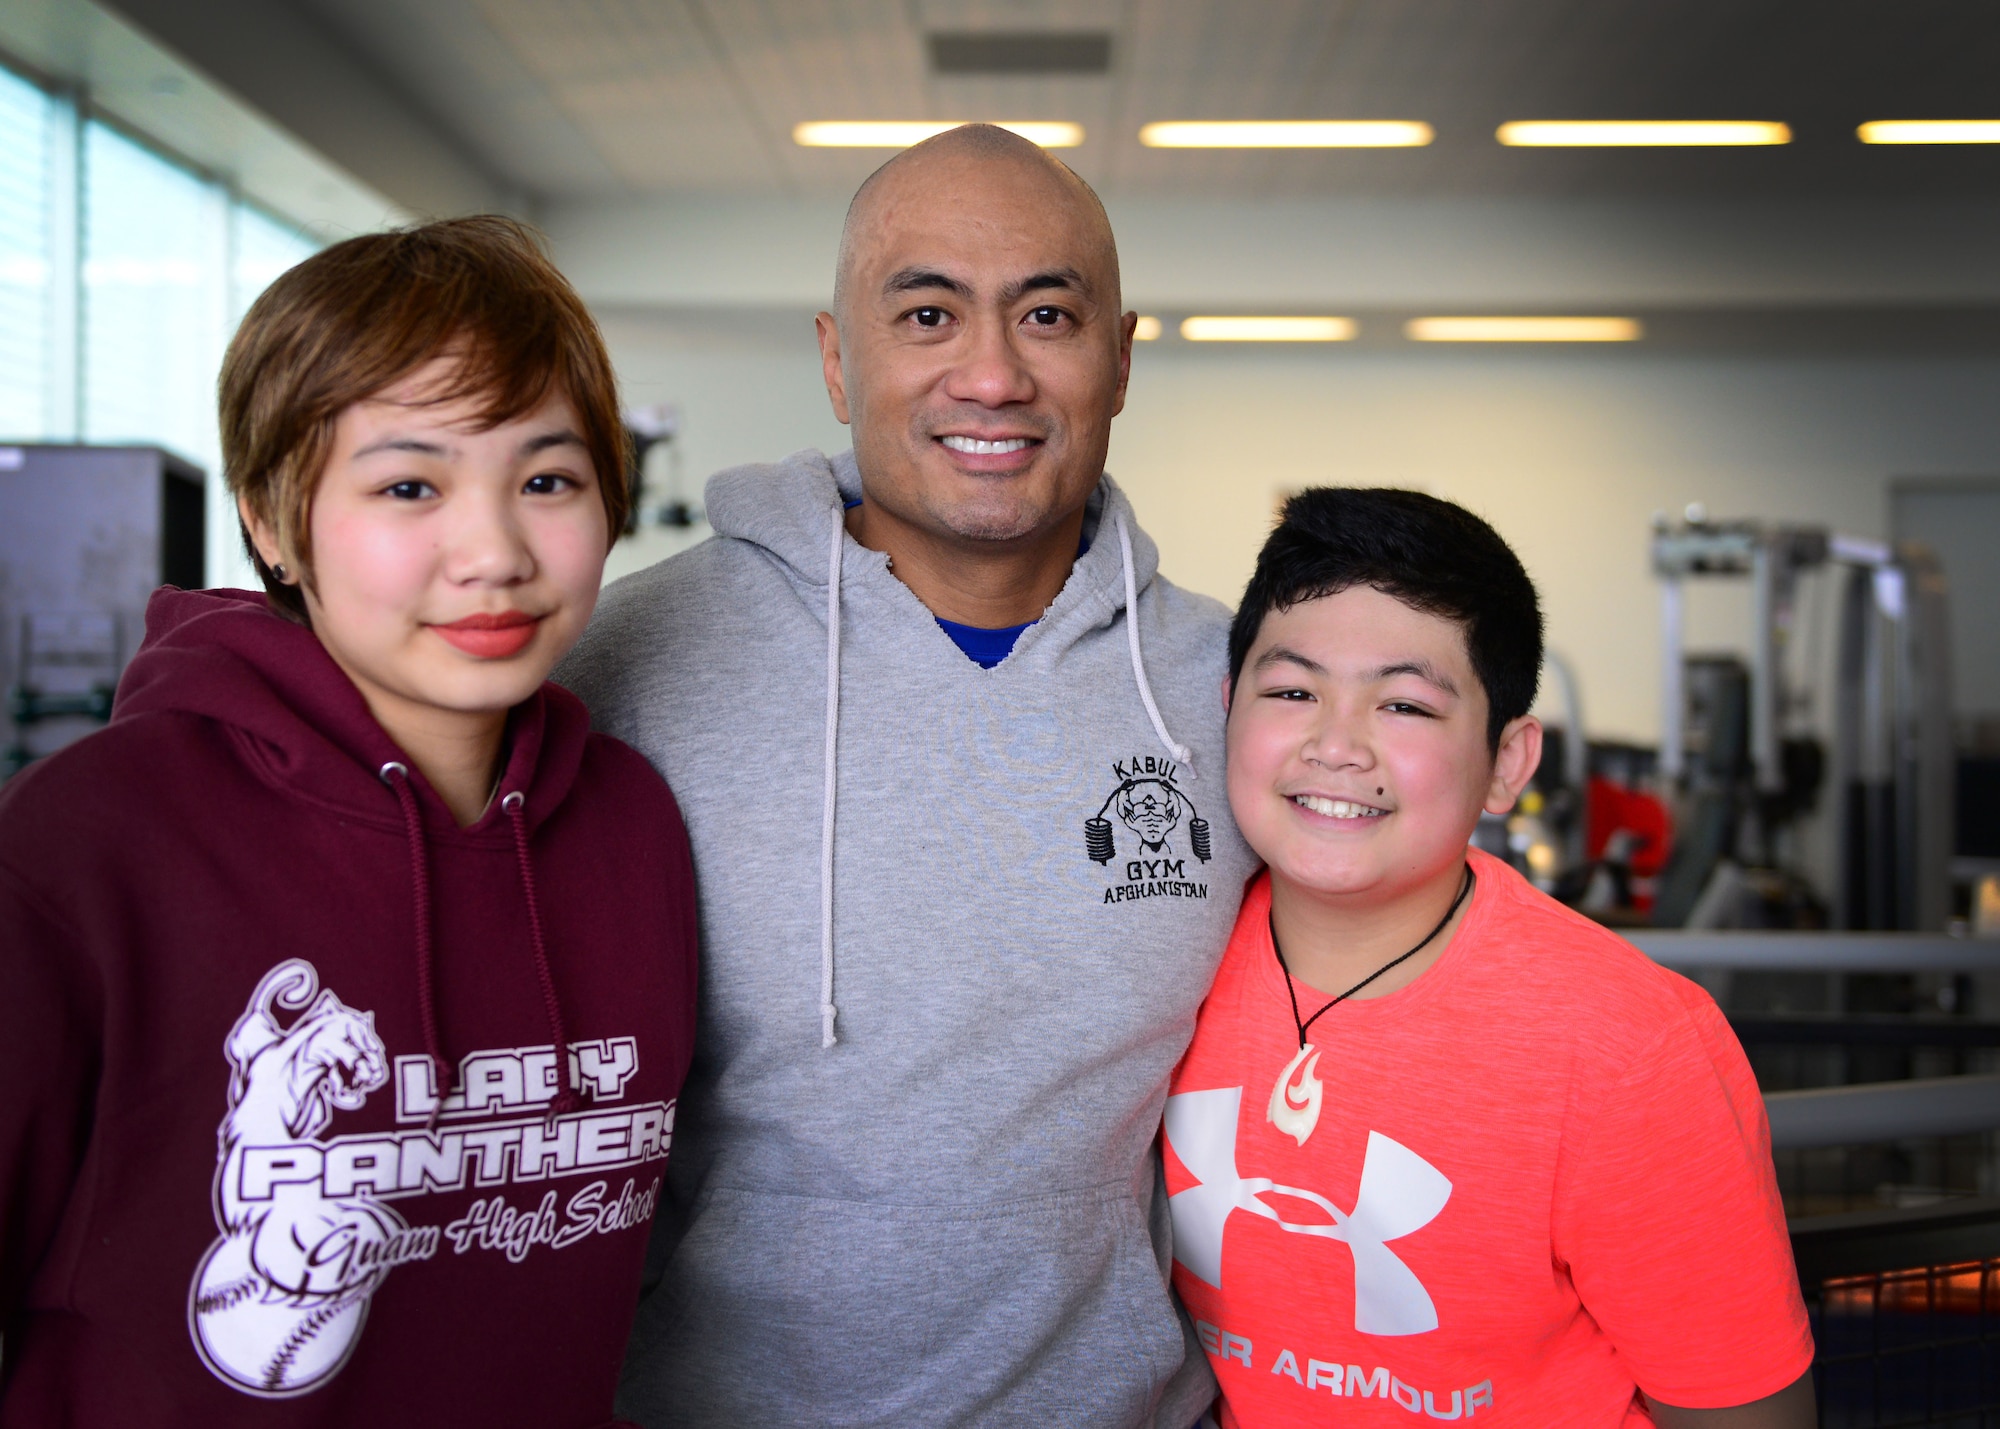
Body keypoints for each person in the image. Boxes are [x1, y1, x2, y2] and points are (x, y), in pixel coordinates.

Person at [557, 124, 1259, 1426]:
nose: (991, 374)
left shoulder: (1235, 688)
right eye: (928, 312)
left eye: (1047, 314)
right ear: (838, 359)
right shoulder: (626, 661)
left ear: (1118, 358)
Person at [0, 217, 698, 1427]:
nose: (491, 552)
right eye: (408, 485)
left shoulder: (630, 826)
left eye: (546, 479)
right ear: (274, 523)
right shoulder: (89, 842)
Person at [1166, 487, 1814, 1427]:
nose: (1336, 745)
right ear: (1228, 709)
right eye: (1294, 690)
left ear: (1508, 762)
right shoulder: (1161, 964)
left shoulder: (1631, 1047)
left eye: (1405, 703)